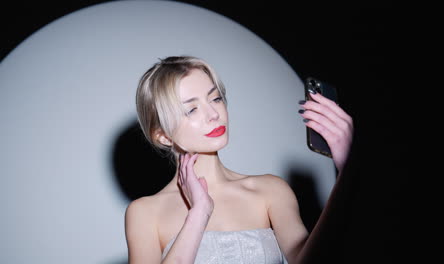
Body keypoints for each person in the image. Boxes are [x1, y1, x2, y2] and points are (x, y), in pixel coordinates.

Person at [124, 55, 354, 263]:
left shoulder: (270, 190)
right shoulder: (145, 213)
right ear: (163, 136)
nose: (214, 114)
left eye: (215, 98)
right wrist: (199, 213)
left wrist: (348, 174)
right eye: (191, 110)